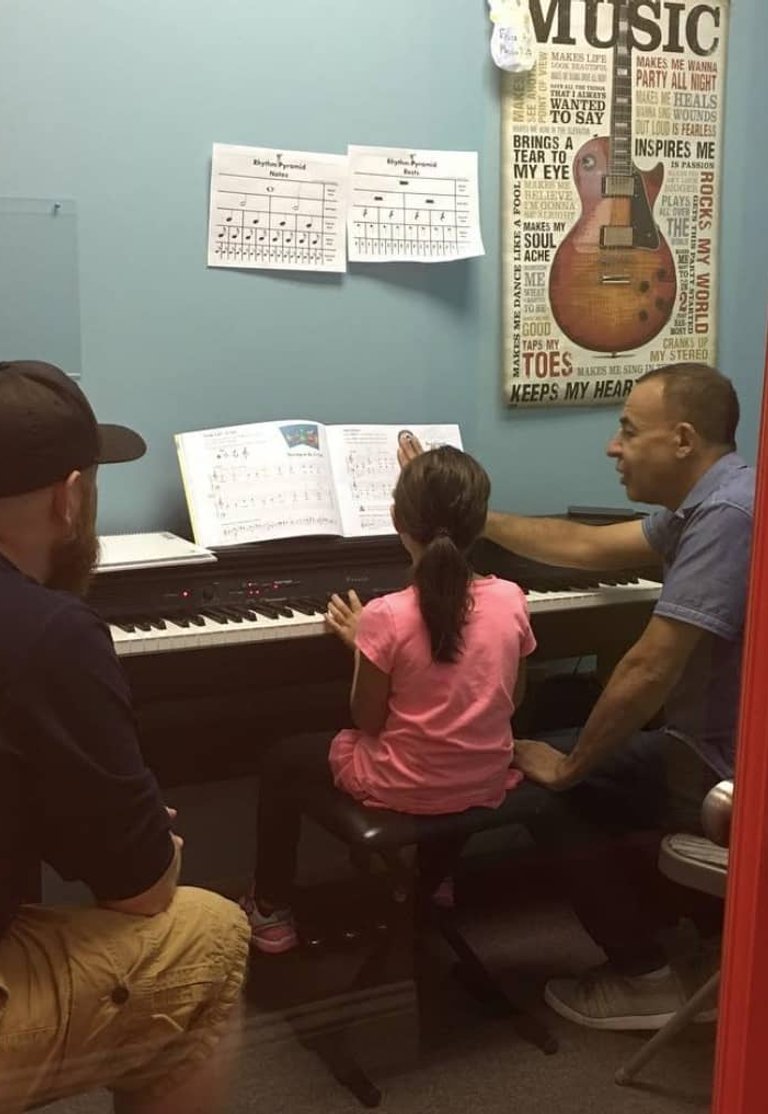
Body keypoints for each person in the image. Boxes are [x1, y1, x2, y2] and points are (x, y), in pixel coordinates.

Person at [399, 363, 754, 1030]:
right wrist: (471, 515)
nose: (611, 447)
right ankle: (697, 932)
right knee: (569, 715)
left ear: (681, 439)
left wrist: (570, 765)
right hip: (715, 742)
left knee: (545, 783)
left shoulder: (727, 518)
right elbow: (588, 546)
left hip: (725, 767)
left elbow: (649, 666)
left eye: (627, 431)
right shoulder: (715, 501)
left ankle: (642, 976)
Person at [0, 361, 250, 1114]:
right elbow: (142, 893)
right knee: (209, 930)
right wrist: (154, 848)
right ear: (70, 497)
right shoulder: (48, 633)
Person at [241, 446, 536, 954]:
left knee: (282, 759)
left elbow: (368, 722)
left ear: (397, 519)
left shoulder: (386, 616)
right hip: (483, 776)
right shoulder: (511, 599)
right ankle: (434, 878)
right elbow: (513, 697)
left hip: (405, 785)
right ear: (480, 522)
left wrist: (363, 647)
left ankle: (270, 909)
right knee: (451, 748)